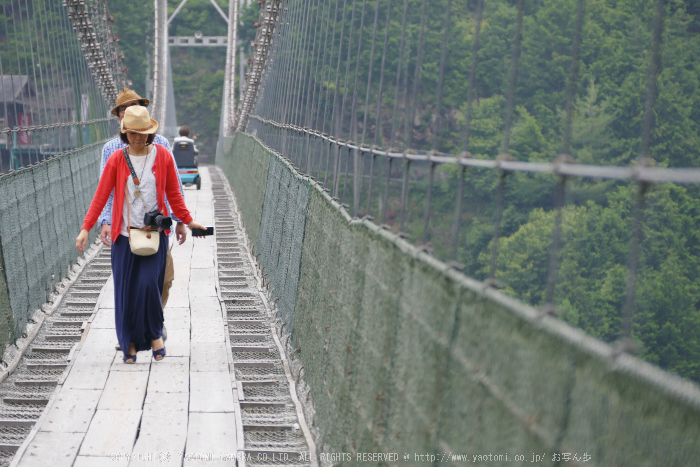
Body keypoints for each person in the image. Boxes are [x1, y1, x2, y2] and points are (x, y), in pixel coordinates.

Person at [76, 107, 207, 363]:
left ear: (151, 132)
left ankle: (155, 334)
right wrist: (85, 228)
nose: (138, 138)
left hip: (154, 236)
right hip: (123, 238)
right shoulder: (116, 159)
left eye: (143, 133)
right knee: (126, 294)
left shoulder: (164, 156)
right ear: (125, 133)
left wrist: (189, 222)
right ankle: (131, 344)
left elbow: (174, 196)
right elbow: (101, 196)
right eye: (133, 133)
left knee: (149, 286)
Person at [100, 89, 185, 315]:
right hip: (124, 227)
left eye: (135, 105)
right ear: (119, 116)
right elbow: (105, 192)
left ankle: (154, 319)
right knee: (129, 282)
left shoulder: (163, 145)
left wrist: (180, 220)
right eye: (123, 108)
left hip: (156, 226)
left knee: (163, 279)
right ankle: (134, 331)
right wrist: (105, 222)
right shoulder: (110, 149)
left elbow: (174, 186)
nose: (129, 110)